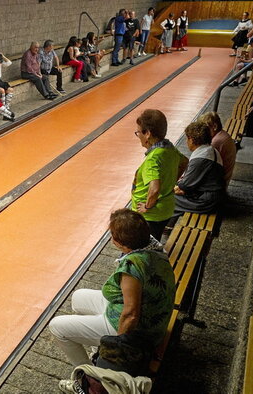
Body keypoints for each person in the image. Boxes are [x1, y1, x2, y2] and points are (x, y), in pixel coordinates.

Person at [49, 208, 176, 367]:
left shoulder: (132, 267)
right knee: (78, 297)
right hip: (145, 312)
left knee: (57, 327)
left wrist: (115, 347)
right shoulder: (152, 245)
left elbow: (131, 315)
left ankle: (87, 374)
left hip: (139, 331)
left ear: (121, 244)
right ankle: (96, 343)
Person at [131, 109, 187, 240]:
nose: (138, 135)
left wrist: (147, 206)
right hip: (166, 208)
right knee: (155, 239)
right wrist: (171, 181)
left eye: (138, 132)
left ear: (148, 134)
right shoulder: (169, 148)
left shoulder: (153, 159)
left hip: (150, 215)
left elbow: (155, 189)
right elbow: (184, 162)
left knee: (142, 246)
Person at [174, 122, 225, 214]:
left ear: (192, 140)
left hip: (206, 202)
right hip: (212, 196)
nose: (186, 142)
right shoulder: (210, 150)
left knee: (166, 199)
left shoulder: (201, 159)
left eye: (187, 138)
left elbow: (184, 185)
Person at [199, 112, 236, 185]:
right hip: (223, 178)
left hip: (217, 183)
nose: (202, 132)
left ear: (214, 126)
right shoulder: (222, 134)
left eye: (205, 129)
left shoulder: (216, 142)